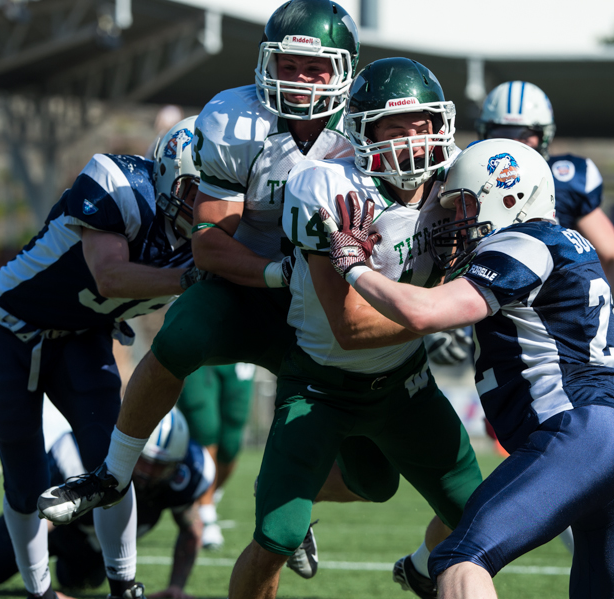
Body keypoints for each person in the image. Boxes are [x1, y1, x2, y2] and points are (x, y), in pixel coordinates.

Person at [37, 0, 393, 582]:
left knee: (374, 476)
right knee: (182, 334)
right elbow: (210, 245)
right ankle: (113, 471)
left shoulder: (366, 125)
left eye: (316, 67)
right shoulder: (235, 117)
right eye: (289, 63)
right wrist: (281, 273)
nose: (299, 79)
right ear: (266, 62)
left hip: (329, 295)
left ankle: (291, 489)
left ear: (346, 72)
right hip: (248, 280)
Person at [322, 138, 614, 599]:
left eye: (464, 205)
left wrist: (355, 267)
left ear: (509, 195)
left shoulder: (526, 240)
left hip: (578, 432)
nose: (457, 222)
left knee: (461, 559)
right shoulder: (567, 244)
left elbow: (423, 313)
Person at [222, 57, 484, 599]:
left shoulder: (458, 178)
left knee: (479, 518)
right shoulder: (328, 187)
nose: (415, 140)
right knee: (276, 536)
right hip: (322, 385)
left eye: (424, 124)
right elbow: (349, 329)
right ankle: (286, 502)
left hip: (405, 384)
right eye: (396, 127)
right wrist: (448, 309)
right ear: (363, 130)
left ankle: (417, 568)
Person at [0, 115, 202, 599]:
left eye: (220, 190)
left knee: (112, 462)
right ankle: (39, 592)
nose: (207, 204)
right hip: (8, 328)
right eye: (198, 188)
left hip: (82, 334)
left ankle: (124, 588)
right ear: (165, 173)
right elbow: (111, 277)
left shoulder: (214, 235)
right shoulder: (118, 183)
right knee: (26, 476)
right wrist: (196, 277)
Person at [476, 80, 614, 376]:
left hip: (555, 317)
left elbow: (613, 255)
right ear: (486, 133)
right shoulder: (471, 180)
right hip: (489, 310)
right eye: (503, 133)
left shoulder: (566, 179)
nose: (514, 145)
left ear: (545, 137)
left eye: (526, 135)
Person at [0, 409, 212, 598]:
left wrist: (177, 586)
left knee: (79, 583)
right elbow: (38, 520)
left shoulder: (189, 473)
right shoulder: (81, 456)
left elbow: (191, 528)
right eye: (144, 460)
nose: (148, 473)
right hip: (47, 522)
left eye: (160, 466)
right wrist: (41, 589)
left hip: (91, 542)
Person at [175, 363, 256, 550]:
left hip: (241, 351)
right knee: (205, 427)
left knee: (231, 443)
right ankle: (206, 515)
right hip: (200, 348)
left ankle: (207, 496)